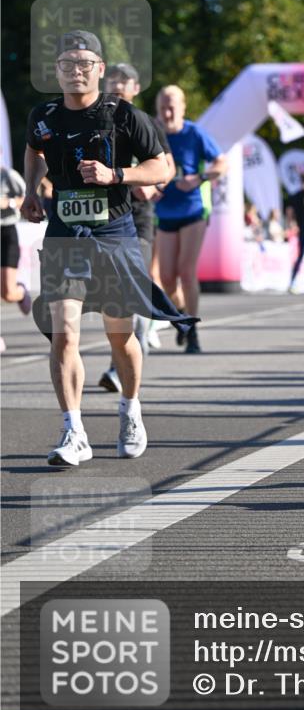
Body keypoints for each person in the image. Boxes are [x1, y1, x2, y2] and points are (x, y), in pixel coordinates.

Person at [21, 30, 195, 467]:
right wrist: (29, 192)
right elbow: (33, 150)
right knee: (64, 333)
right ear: (56, 71)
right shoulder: (43, 116)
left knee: (122, 337)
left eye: (84, 64)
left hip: (113, 234)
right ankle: (73, 430)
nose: (75, 72)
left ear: (99, 69)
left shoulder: (123, 115)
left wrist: (115, 175)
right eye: (66, 64)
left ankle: (131, 409)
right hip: (64, 234)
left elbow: (162, 167)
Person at [98, 63, 175, 392]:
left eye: (123, 81)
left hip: (137, 218)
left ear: (136, 87)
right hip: (101, 218)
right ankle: (132, 346)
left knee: (127, 288)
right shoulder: (91, 121)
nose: (117, 86)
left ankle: (119, 366)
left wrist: (151, 184)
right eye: (112, 80)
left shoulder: (146, 122)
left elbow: (167, 168)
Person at [154, 85, 227, 353]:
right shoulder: (154, 134)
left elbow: (221, 163)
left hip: (192, 210)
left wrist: (199, 178)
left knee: (186, 270)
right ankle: (182, 314)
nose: (168, 111)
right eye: (163, 106)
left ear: (183, 107)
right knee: (166, 278)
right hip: (164, 211)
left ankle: (193, 332)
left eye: (172, 106)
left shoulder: (194, 133)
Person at [1, 166, 32, 353]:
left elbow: (28, 199)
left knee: (7, 293)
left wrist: (9, 202)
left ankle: (21, 291)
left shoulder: (8, 176)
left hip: (6, 233)